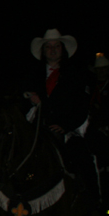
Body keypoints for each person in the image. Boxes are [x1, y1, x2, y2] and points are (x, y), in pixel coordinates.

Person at [25, 29, 97, 204]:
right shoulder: (34, 73)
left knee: (82, 156)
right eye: (48, 47)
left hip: (65, 129)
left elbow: (82, 106)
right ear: (43, 51)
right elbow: (21, 96)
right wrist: (29, 98)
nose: (52, 50)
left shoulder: (76, 73)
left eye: (56, 46)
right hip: (37, 128)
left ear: (62, 49)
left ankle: (92, 202)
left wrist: (66, 125)